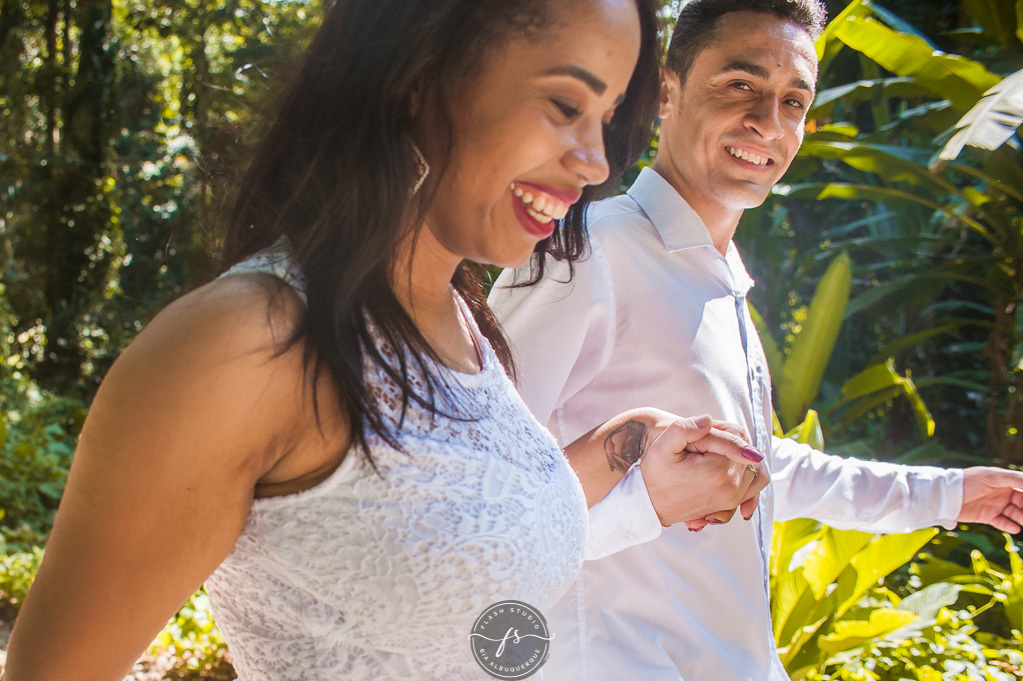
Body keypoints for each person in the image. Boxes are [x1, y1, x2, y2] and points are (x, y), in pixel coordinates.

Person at [1, 1, 773, 680]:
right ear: (417, 79)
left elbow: (452, 540)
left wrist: (626, 443)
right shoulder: (248, 344)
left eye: (604, 121)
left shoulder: (457, 318)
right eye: (562, 104)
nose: (596, 162)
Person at [489, 1, 1023, 679]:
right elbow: (484, 502)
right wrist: (646, 505)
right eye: (739, 86)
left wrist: (947, 495)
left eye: (793, 100)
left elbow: (760, 466)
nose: (768, 123)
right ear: (666, 90)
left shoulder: (720, 277)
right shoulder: (586, 249)